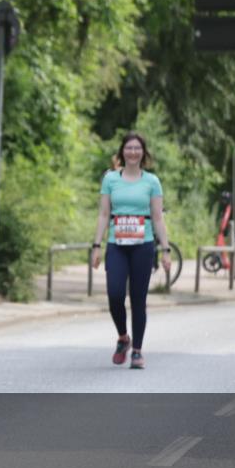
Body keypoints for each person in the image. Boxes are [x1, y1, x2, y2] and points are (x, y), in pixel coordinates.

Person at [91, 132, 171, 370]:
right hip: (116, 245)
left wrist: (166, 249)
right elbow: (104, 214)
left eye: (137, 148)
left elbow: (157, 218)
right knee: (115, 295)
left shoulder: (152, 182)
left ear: (143, 153)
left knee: (138, 299)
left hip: (143, 246)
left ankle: (137, 351)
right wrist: (96, 246)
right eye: (129, 148)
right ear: (122, 152)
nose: (133, 152)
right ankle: (123, 337)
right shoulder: (111, 180)